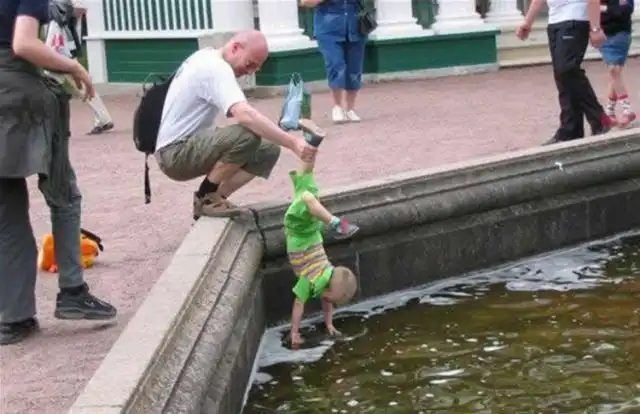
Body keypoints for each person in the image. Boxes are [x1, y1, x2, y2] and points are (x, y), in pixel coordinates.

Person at [0, 0, 117, 346]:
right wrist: (74, 67)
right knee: (63, 193)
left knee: (8, 213)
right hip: (20, 96)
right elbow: (24, 44)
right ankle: (72, 291)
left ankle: (14, 318)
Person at [154, 30, 318, 220]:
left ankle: (217, 198)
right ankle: (206, 198)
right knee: (246, 135)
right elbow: (245, 116)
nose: (250, 71)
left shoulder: (207, 56)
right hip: (175, 153)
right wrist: (293, 143)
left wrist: (282, 138)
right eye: (249, 64)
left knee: (268, 149)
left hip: (181, 147)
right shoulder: (216, 68)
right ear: (235, 48)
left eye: (256, 68)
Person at [285, 126, 359, 348]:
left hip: (306, 231)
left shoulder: (324, 280)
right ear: (328, 289)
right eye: (330, 299)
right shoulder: (312, 280)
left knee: (306, 188)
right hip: (302, 231)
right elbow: (298, 304)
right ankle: (336, 223)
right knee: (306, 193)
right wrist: (294, 332)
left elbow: (322, 304)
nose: (328, 303)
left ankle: (312, 142)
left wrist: (329, 324)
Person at [517, 0, 614, 145]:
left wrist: (595, 28)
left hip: (575, 20)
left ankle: (599, 118)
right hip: (554, 22)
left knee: (567, 69)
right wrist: (528, 21)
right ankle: (571, 129)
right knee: (562, 76)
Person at [44, 0, 114, 135]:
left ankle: (55, 126)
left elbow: (54, 46)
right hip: (67, 60)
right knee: (84, 89)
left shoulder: (56, 25)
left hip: (61, 62)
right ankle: (104, 118)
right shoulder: (66, 23)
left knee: (49, 90)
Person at [300, 0, 367, 124]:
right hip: (328, 29)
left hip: (355, 26)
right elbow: (305, 2)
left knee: (355, 68)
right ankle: (337, 106)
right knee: (335, 64)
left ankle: (350, 109)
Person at [599, 0, 635, 128]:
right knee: (615, 73)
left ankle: (625, 109)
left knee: (614, 71)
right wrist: (610, 9)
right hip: (603, 35)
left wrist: (602, 9)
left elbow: (624, 11)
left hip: (621, 34)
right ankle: (611, 111)